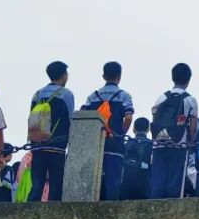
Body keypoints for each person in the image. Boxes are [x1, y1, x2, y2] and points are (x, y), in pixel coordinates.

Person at [82, 61, 134, 201]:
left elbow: (83, 115)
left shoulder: (93, 96)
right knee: (113, 179)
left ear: (103, 76)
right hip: (114, 142)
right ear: (119, 77)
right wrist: (121, 133)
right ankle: (111, 208)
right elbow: (128, 117)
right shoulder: (124, 96)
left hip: (94, 142)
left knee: (91, 179)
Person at [27, 61, 74, 202]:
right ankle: (54, 213)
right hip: (57, 145)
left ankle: (29, 211)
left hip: (37, 145)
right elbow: (71, 118)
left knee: (37, 185)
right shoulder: (66, 94)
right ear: (63, 75)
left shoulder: (37, 94)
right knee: (56, 185)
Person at [150, 63, 198, 199]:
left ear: (173, 78)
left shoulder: (161, 98)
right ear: (188, 80)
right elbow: (193, 127)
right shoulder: (190, 100)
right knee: (175, 182)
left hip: (159, 144)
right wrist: (191, 141)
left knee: (158, 180)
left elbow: (154, 120)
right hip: (179, 144)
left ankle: (155, 205)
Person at [121, 117, 153, 200]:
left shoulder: (127, 143)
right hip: (145, 182)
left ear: (133, 129)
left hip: (127, 180)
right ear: (148, 129)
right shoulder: (151, 144)